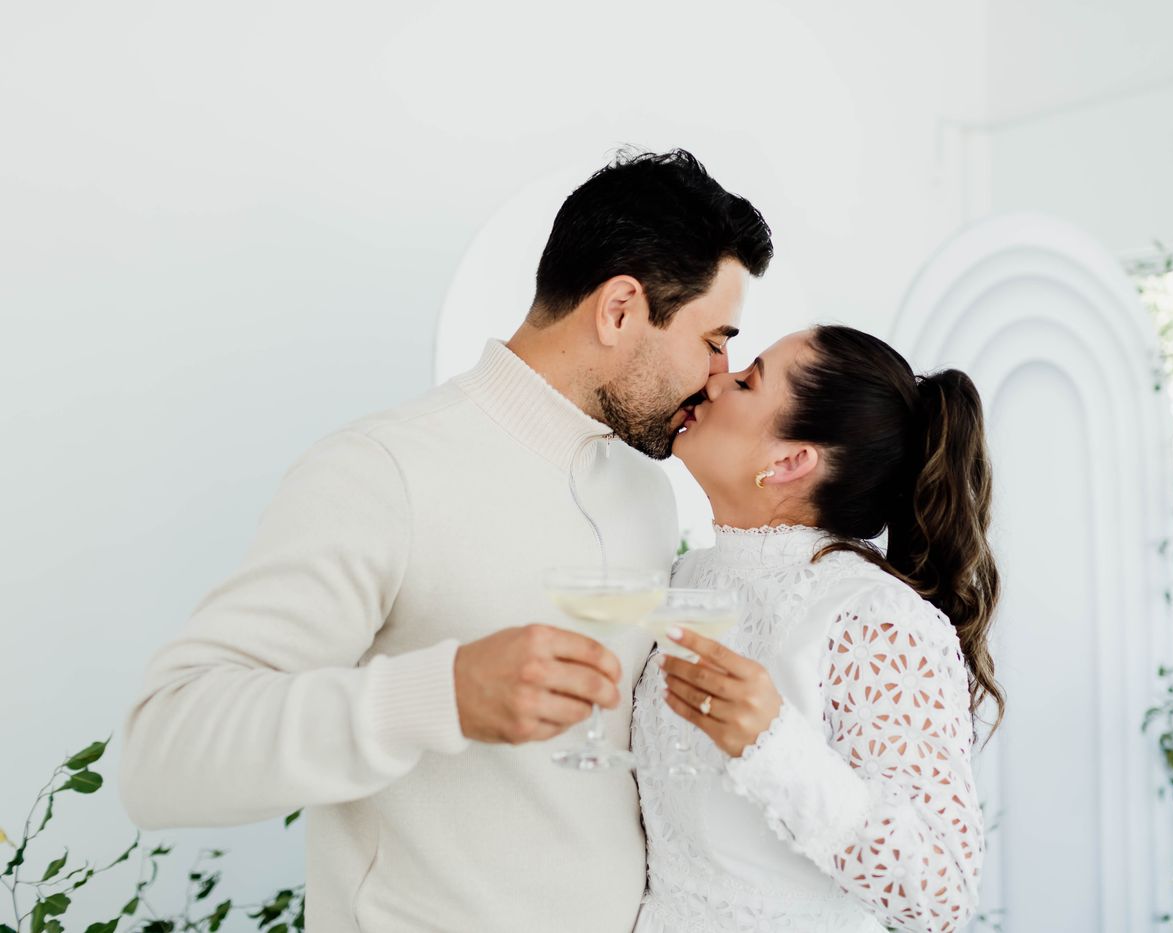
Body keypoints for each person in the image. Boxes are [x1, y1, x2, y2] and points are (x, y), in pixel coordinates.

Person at [117, 149, 773, 932]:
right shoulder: (383, 471)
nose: (720, 374)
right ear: (621, 309)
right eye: (714, 339)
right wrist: (443, 694)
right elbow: (160, 754)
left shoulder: (646, 494)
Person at [632, 324, 1001, 933]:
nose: (715, 381)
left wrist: (773, 743)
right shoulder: (686, 577)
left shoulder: (878, 617)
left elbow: (942, 897)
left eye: (747, 382)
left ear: (790, 461)